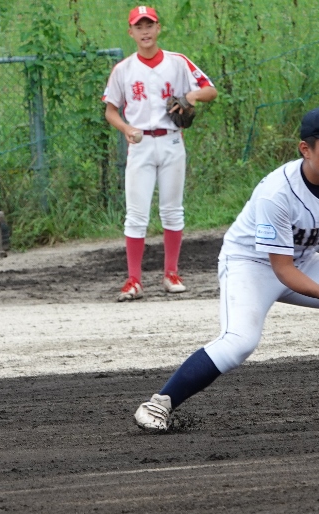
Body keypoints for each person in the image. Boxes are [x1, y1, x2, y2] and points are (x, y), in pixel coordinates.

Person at [132, 105, 319, 432]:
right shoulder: (277, 193)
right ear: (305, 149)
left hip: (301, 260)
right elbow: (281, 269)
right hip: (249, 265)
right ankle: (158, 404)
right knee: (239, 341)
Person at [103, 6, 218, 301]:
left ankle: (171, 274)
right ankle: (133, 280)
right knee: (136, 215)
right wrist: (125, 128)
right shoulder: (124, 69)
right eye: (138, 26)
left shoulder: (177, 62)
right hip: (140, 144)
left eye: (149, 25)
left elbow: (210, 90)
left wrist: (191, 95)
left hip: (171, 142)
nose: (145, 31)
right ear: (131, 32)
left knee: (172, 210)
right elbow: (110, 110)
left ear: (158, 28)